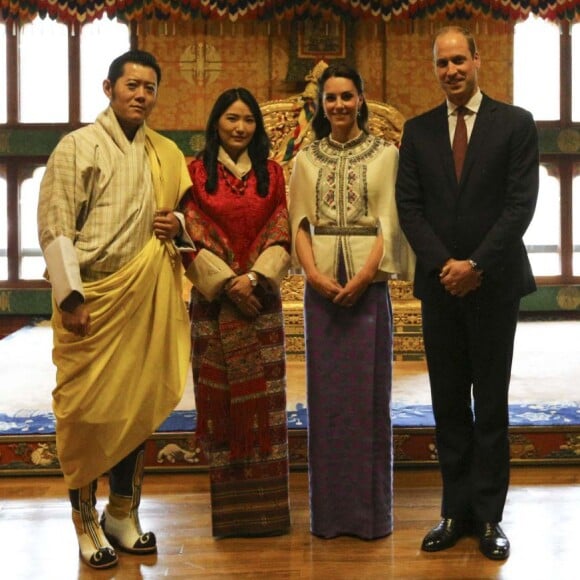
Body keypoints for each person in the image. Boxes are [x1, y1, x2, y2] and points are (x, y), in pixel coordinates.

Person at [37, 50, 192, 570]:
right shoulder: (77, 146)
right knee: (84, 416)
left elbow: (184, 223)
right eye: (132, 85)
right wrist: (72, 299)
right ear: (109, 88)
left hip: (144, 296)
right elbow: (57, 227)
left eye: (150, 87)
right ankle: (84, 521)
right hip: (92, 302)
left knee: (135, 407)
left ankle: (123, 513)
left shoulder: (164, 152)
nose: (141, 94)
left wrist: (178, 228)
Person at [395, 26, 539, 560]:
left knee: (492, 403)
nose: (451, 70)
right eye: (442, 63)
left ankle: (489, 518)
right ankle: (455, 511)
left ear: (478, 60)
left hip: (495, 285)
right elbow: (409, 208)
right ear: (434, 69)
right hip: (439, 288)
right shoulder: (417, 131)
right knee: (448, 403)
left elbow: (520, 205)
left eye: (460, 60)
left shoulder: (516, 124)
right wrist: (447, 266)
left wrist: (476, 263)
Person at [288, 64, 415, 540]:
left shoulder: (386, 154)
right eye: (330, 98)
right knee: (326, 400)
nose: (338, 105)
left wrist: (364, 277)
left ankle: (369, 517)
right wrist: (316, 277)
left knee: (367, 399)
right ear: (320, 104)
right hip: (321, 287)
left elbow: (390, 222)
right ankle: (330, 517)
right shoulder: (307, 158)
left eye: (347, 96)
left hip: (368, 285)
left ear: (361, 98)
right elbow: (299, 222)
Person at [180, 87, 292, 538]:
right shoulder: (192, 174)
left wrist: (256, 278)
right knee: (224, 406)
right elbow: (187, 233)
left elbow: (282, 226)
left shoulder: (273, 173)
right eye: (231, 118)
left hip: (261, 303)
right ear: (216, 123)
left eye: (247, 119)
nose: (240, 127)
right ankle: (231, 518)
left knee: (266, 408)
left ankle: (269, 516)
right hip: (214, 306)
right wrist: (227, 283)